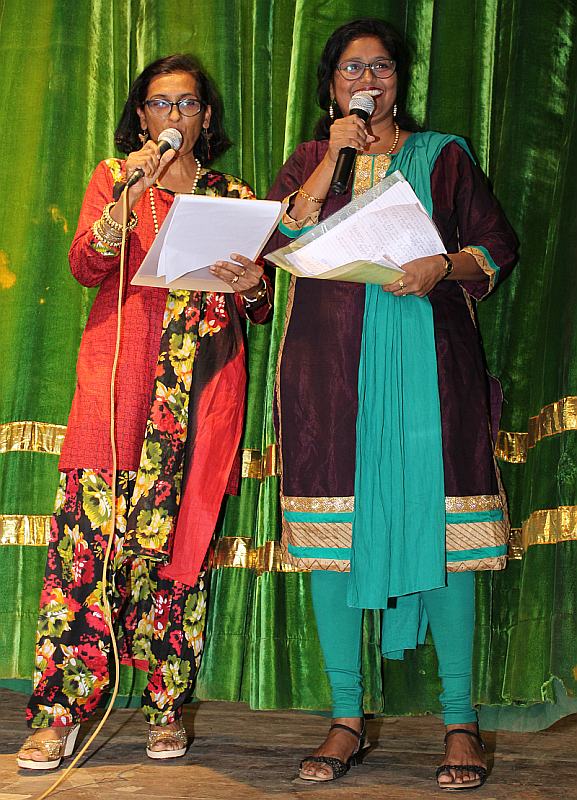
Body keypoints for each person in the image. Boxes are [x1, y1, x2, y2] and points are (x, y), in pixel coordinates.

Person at [265, 18, 516, 790]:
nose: (365, 79)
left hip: (428, 366)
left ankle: (459, 722)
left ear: (398, 81)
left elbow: (495, 245)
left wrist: (441, 264)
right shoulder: (310, 159)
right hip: (327, 373)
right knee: (330, 534)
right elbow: (277, 235)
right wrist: (332, 156)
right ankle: (345, 717)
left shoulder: (441, 155)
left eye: (379, 67)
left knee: (445, 531)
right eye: (350, 68)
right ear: (330, 85)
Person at [17, 53, 271, 770]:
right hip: (117, 385)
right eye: (161, 104)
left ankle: (166, 707)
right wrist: (128, 196)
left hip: (197, 396)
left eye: (187, 104)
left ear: (206, 117)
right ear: (141, 116)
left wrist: (253, 285)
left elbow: (257, 306)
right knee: (84, 554)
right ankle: (60, 714)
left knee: (174, 563)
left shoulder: (232, 195)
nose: (174, 116)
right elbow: (85, 266)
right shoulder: (115, 177)